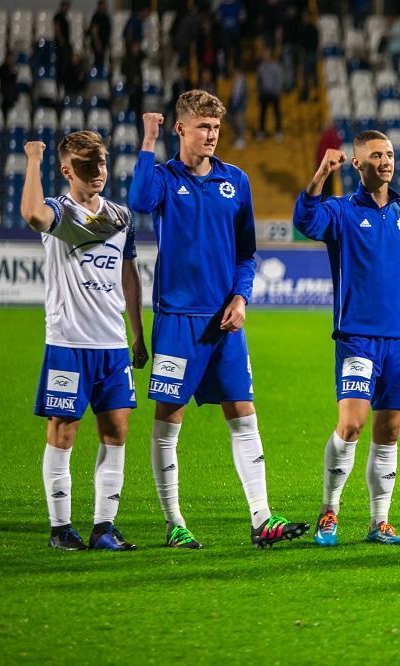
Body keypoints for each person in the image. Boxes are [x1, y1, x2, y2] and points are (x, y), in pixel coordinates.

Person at [128, 91, 309, 549]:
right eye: (202, 127)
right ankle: (174, 523)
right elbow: (139, 200)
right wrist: (147, 141)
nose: (211, 135)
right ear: (180, 129)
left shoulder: (236, 181)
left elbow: (247, 254)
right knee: (169, 419)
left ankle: (262, 518)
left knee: (243, 413)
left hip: (225, 321)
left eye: (215, 127)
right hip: (177, 319)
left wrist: (241, 298)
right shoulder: (163, 178)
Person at [293, 129, 400, 547]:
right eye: (376, 155)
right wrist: (321, 174)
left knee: (389, 432)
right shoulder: (340, 212)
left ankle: (379, 521)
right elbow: (305, 222)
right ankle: (328, 512)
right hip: (357, 337)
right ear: (357, 163)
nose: (386, 161)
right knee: (352, 424)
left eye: (389, 154)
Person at [19, 131, 148, 551]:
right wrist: (33, 159)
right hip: (68, 343)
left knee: (116, 431)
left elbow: (128, 274)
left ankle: (103, 527)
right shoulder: (59, 211)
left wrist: (137, 332)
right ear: (67, 170)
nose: (98, 172)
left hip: (112, 345)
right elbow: (32, 214)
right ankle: (60, 529)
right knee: (64, 432)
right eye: (87, 166)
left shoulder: (121, 216)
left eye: (102, 163)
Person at [255, 48, 283, 141]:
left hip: (274, 93)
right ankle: (261, 131)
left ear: (270, 55)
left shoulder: (275, 66)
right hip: (264, 93)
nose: (265, 56)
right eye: (264, 54)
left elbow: (279, 79)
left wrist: (277, 91)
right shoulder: (261, 67)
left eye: (267, 54)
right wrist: (259, 91)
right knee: (263, 113)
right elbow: (258, 80)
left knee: (276, 113)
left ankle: (278, 131)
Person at [87, 0, 112, 70]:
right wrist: (97, 44)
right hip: (98, 43)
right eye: (103, 6)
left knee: (102, 61)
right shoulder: (97, 16)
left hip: (103, 43)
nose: (105, 7)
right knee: (98, 62)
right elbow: (94, 31)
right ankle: (96, 74)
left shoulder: (105, 16)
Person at [0, 52, 20, 118]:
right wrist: (10, 70)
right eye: (10, 58)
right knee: (4, 114)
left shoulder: (15, 67)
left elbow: (15, 76)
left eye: (12, 59)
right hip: (5, 94)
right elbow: (4, 76)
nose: (11, 60)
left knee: (13, 114)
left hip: (13, 94)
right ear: (6, 58)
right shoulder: (2, 68)